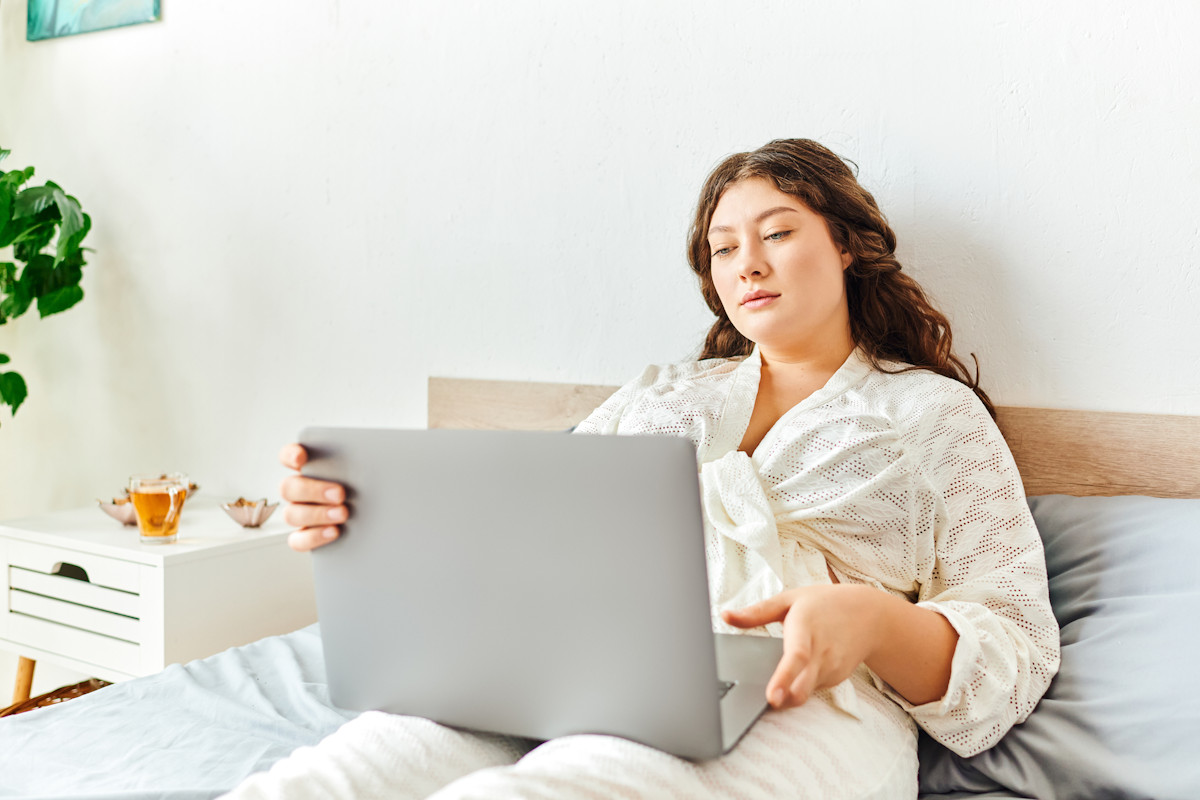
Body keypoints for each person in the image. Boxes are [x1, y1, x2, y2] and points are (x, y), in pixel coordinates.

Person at [245, 139, 1060, 800]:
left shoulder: (931, 416)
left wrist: (873, 624)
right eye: (724, 247)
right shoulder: (661, 397)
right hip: (571, 665)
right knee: (326, 780)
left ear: (845, 245)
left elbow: (1016, 642)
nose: (748, 264)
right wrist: (371, 520)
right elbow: (521, 525)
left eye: (777, 233)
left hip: (807, 701)